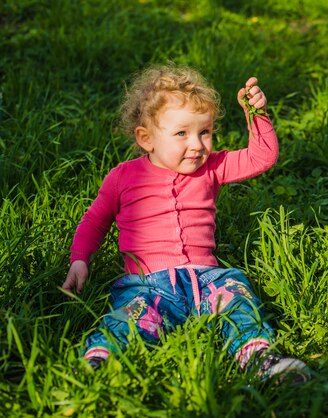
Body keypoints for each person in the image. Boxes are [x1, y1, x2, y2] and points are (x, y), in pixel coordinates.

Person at [62, 64, 309, 383]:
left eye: (204, 132)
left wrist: (256, 115)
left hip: (208, 280)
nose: (197, 144)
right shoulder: (123, 176)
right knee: (128, 318)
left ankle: (259, 356)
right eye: (182, 133)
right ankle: (99, 361)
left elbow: (261, 158)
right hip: (147, 285)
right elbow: (95, 221)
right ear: (146, 138)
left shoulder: (213, 167)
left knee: (238, 297)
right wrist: (79, 259)